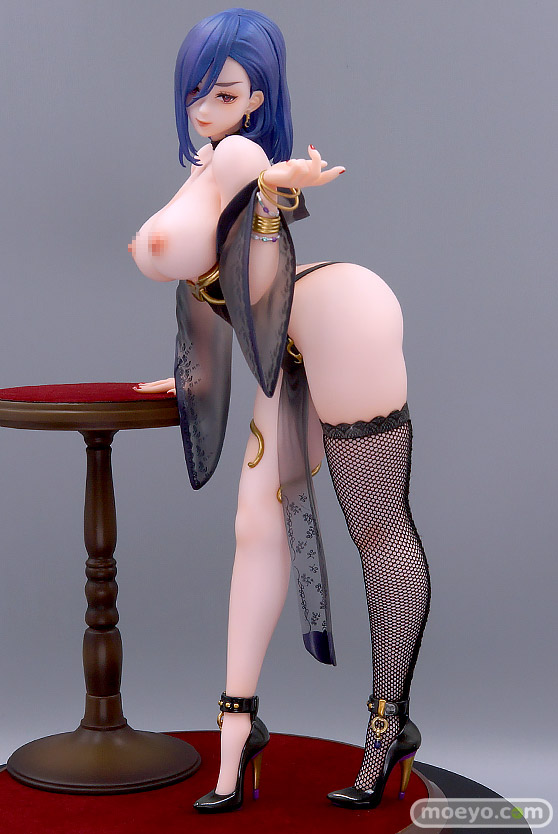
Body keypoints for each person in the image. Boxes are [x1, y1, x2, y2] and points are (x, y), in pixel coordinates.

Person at [130, 8, 430, 813]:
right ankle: (236, 741)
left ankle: (387, 725)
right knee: (255, 531)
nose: (204, 108)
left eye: (224, 93)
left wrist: (267, 196)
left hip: (340, 322)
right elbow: (222, 290)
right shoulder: (209, 160)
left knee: (376, 526)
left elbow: (260, 285)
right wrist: (188, 374)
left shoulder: (241, 156)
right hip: (286, 351)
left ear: (258, 97)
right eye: (195, 92)